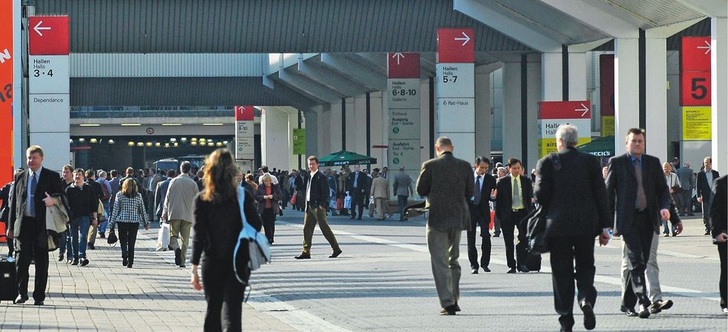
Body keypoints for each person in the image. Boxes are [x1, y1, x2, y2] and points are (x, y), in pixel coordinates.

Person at [534, 124, 611, 331]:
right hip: (586, 225)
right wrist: (606, 227)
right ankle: (585, 299)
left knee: (561, 272)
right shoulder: (590, 162)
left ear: (559, 141)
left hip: (558, 226)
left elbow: (540, 196)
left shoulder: (547, 162)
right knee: (586, 266)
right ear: (576, 141)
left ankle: (566, 320)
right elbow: (601, 196)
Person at [190, 149, 262, 331]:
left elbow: (198, 235)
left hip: (211, 260)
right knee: (232, 311)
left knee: (213, 309)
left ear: (209, 172)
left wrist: (194, 268)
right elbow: (257, 223)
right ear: (232, 171)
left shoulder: (202, 199)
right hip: (238, 260)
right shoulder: (242, 196)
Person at [606, 128, 671, 319]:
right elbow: (609, 193)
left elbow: (663, 190)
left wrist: (665, 208)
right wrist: (607, 223)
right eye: (633, 141)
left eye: (640, 141)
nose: (637, 144)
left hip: (648, 219)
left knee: (639, 263)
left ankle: (626, 303)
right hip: (628, 220)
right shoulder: (617, 163)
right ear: (627, 143)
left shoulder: (652, 163)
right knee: (636, 260)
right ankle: (643, 301)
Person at [416, 137, 473, 315]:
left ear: (437, 148)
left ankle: (447, 302)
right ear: (452, 148)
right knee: (453, 260)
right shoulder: (465, 166)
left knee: (439, 261)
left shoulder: (430, 165)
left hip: (437, 218)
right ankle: (454, 298)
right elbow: (470, 192)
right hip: (458, 218)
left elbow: (420, 190)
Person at [8, 145, 64, 305]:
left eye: (34, 158)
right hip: (23, 224)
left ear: (41, 158)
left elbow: (62, 197)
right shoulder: (20, 177)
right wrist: (11, 226)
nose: (31, 161)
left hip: (42, 225)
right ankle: (21, 293)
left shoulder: (51, 177)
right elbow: (14, 203)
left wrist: (53, 201)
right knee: (21, 261)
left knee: (41, 262)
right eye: (29, 158)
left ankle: (39, 296)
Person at [295, 156, 342, 259]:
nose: (311, 166)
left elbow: (325, 192)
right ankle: (306, 251)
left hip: (317, 206)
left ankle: (336, 248)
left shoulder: (321, 176)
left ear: (317, 164)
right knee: (307, 229)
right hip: (309, 205)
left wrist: (322, 205)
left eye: (313, 164)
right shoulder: (309, 176)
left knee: (324, 227)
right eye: (309, 164)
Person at [494, 157, 533, 273]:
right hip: (508, 214)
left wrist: (529, 213)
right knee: (508, 240)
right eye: (514, 168)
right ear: (509, 169)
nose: (517, 170)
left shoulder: (526, 181)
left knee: (523, 239)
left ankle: (522, 264)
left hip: (522, 213)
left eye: (519, 168)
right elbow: (498, 201)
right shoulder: (502, 182)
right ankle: (512, 265)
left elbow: (529, 198)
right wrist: (499, 215)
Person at [162, 161, 200, 268]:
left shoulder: (173, 181)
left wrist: (164, 212)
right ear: (190, 170)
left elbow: (167, 198)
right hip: (188, 215)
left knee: (173, 236)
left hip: (174, 213)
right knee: (185, 239)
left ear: (180, 169)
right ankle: (182, 261)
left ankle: (176, 248)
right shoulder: (193, 183)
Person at [108, 177, 149, 268]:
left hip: (122, 220)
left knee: (123, 240)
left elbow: (115, 210)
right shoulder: (138, 196)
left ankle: (124, 254)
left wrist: (112, 223)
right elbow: (142, 209)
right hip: (134, 221)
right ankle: (131, 261)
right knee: (131, 241)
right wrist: (146, 222)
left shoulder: (119, 195)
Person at [467, 156, 496, 274]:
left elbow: (492, 195)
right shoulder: (468, 178)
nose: (484, 170)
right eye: (482, 167)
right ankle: (474, 265)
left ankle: (485, 263)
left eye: (486, 168)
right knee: (471, 238)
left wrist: (493, 198)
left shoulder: (490, 179)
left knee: (486, 236)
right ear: (476, 165)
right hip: (470, 209)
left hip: (483, 210)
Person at [64, 169, 99, 266]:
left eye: (79, 175)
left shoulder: (88, 189)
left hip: (85, 216)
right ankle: (74, 257)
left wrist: (95, 218)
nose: (77, 176)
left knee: (83, 236)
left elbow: (93, 204)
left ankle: (82, 256)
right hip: (72, 216)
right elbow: (65, 205)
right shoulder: (69, 189)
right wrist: (66, 217)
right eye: (76, 175)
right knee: (73, 237)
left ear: (83, 176)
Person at [709, 175, 727, 315]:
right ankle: (725, 302)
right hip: (725, 235)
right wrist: (717, 232)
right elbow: (713, 210)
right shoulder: (720, 183)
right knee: (727, 269)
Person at [0, 168, 23, 258]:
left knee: (22, 234)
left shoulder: (26, 187)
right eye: (16, 175)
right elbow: (1, 194)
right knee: (9, 234)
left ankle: (21, 252)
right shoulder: (9, 186)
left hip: (22, 215)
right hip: (10, 214)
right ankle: (10, 252)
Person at [255, 173, 281, 244]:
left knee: (271, 224)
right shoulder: (260, 187)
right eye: (265, 181)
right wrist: (263, 197)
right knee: (265, 224)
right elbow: (256, 196)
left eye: (267, 181)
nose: (266, 183)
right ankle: (267, 237)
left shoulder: (275, 187)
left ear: (270, 181)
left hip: (272, 208)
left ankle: (271, 238)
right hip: (263, 208)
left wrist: (273, 196)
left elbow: (279, 196)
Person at [697, 157, 720, 235]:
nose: (706, 164)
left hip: (714, 196)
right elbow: (698, 186)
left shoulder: (715, 173)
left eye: (707, 162)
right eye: (705, 162)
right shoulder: (700, 174)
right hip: (705, 196)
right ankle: (707, 228)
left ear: (710, 163)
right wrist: (698, 196)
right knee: (705, 214)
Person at [662, 162, 682, 237]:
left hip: (673, 197)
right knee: (664, 214)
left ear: (670, 168)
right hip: (663, 198)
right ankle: (665, 231)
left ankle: (674, 230)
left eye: (667, 166)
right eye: (665, 167)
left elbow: (679, 187)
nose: (666, 168)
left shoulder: (674, 176)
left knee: (673, 214)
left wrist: (673, 189)